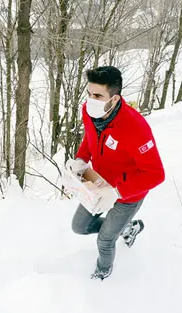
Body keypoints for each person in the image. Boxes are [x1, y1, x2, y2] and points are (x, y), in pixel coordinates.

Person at [66, 66, 165, 280]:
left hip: (128, 193)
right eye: (89, 93)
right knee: (79, 226)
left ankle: (103, 272)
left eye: (98, 95)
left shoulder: (136, 127)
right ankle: (128, 228)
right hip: (98, 184)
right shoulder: (89, 110)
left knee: (104, 240)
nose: (90, 100)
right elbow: (90, 139)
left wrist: (119, 190)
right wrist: (81, 159)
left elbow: (156, 174)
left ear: (115, 98)